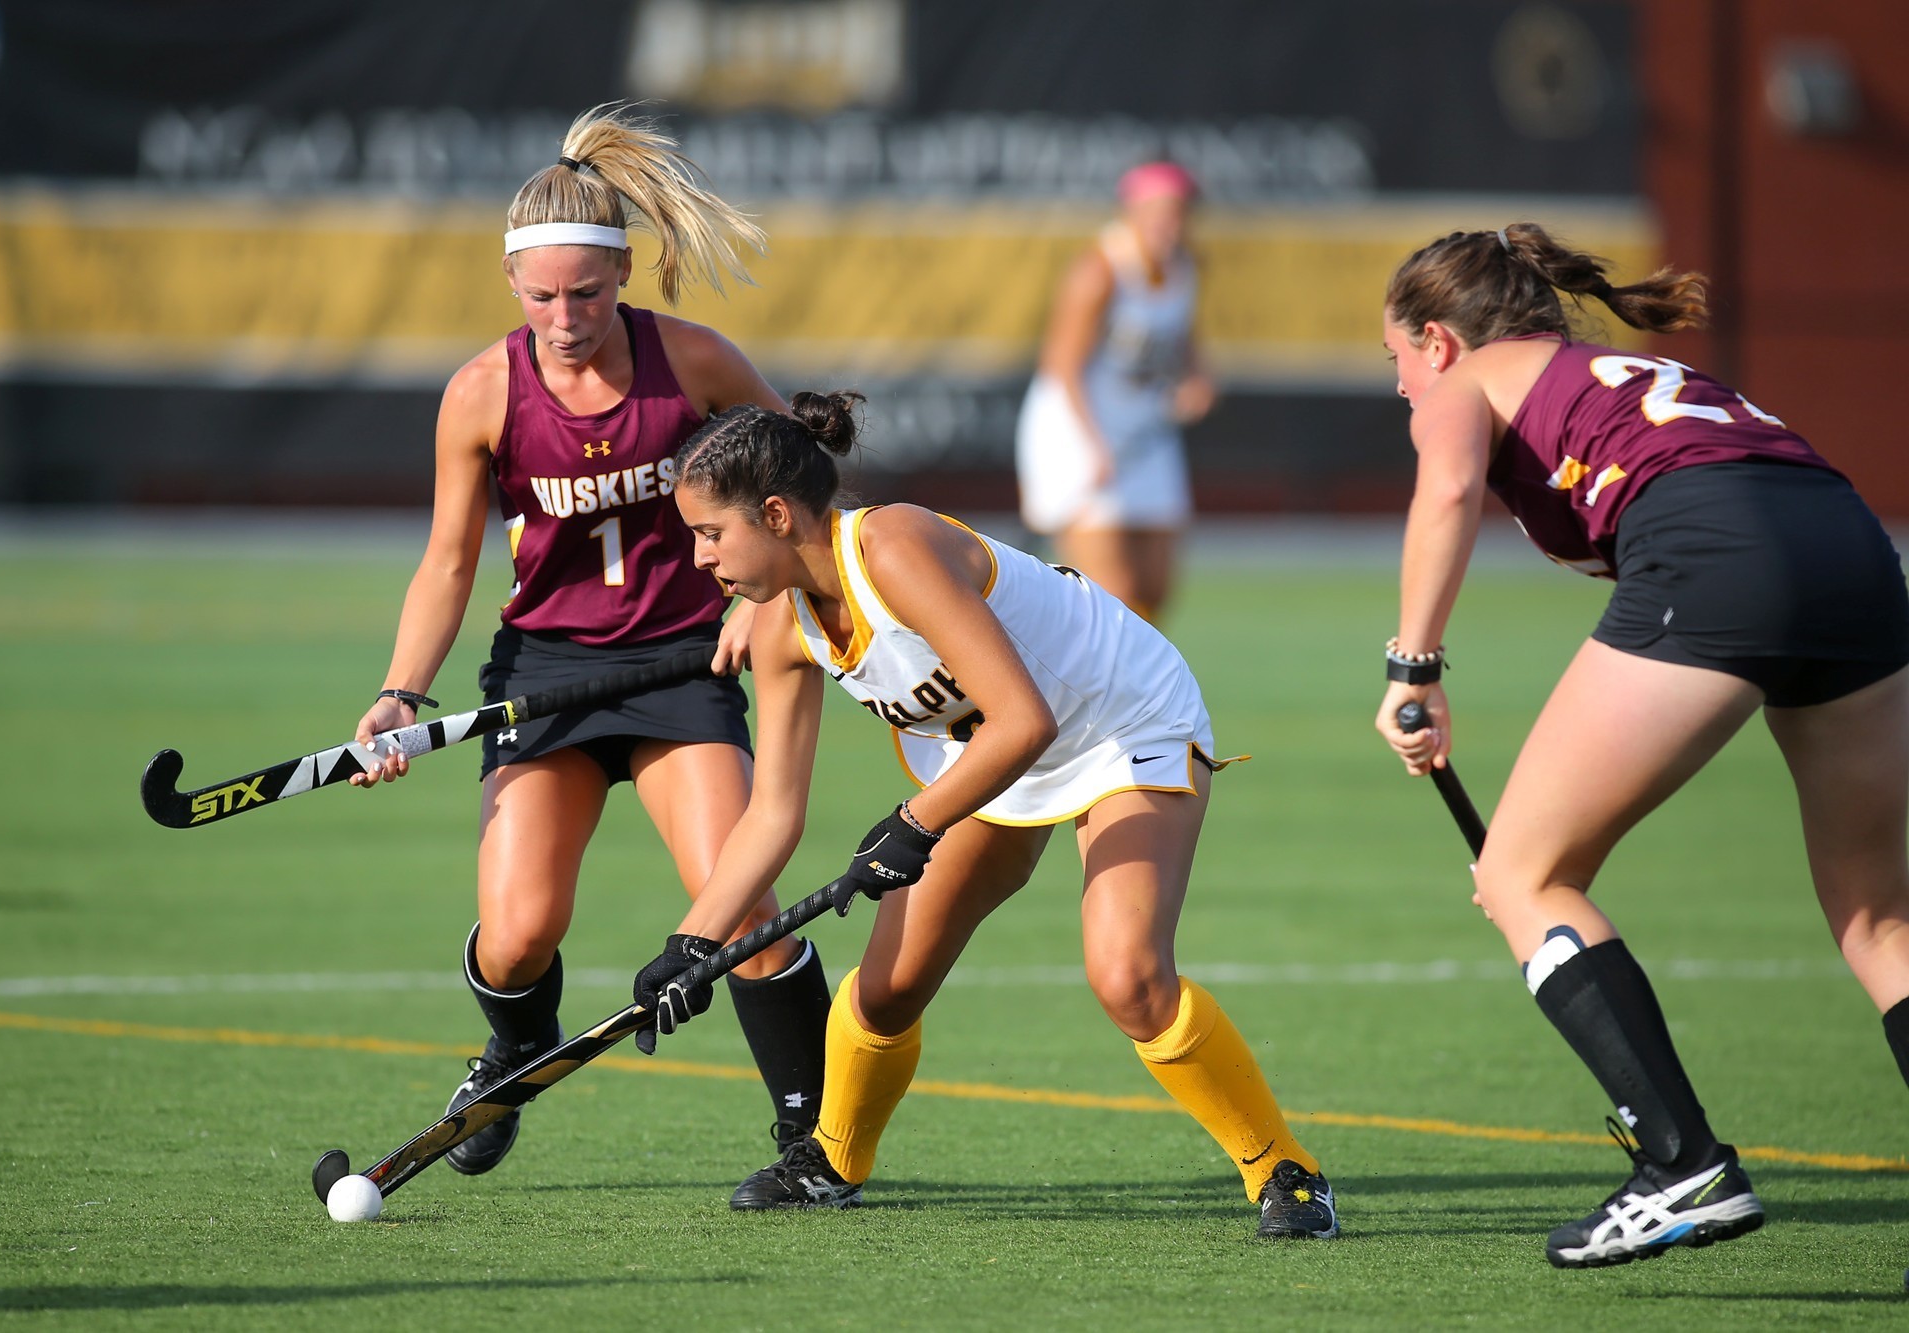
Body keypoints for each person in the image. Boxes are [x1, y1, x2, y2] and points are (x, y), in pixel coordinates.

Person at [630, 390, 1339, 1237]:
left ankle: (1285, 1170)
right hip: (990, 756)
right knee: (885, 992)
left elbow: (1027, 719)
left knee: (1128, 974)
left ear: (776, 514)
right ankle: (832, 1159)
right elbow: (774, 811)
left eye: (711, 534)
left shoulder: (893, 549)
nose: (700, 557)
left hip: (1119, 721)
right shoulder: (782, 629)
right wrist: (692, 944)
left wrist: (916, 822)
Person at [1372, 223, 1909, 1269]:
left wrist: (1412, 664)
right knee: (1880, 920)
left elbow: (1443, 492)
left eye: (1394, 359)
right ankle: (1680, 1165)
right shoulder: (1632, 371)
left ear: (1436, 339)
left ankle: (1681, 1166)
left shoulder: (1459, 382)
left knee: (1519, 874)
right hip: (1852, 548)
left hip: (1719, 551)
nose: (1400, 387)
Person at [347, 105, 833, 1182]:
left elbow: (802, 481)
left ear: (624, 276)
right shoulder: (480, 394)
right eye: (541, 296)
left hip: (680, 667)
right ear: (511, 285)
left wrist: (764, 600)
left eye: (587, 293)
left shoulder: (692, 361)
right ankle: (514, 1046)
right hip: (548, 676)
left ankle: (815, 1136)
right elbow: (446, 562)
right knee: (517, 934)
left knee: (740, 903)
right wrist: (398, 693)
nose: (565, 318)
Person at [1013, 159, 1216, 623]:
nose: (1172, 223)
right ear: (1132, 211)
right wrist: (1094, 447)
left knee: (1153, 590)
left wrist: (1198, 381)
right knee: (1110, 596)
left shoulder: (1184, 267)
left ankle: (1128, 688)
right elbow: (1060, 368)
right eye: (1161, 211)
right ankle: (1082, 689)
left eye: (1181, 212)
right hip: (1081, 430)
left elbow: (1185, 345)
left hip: (1144, 432)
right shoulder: (1101, 271)